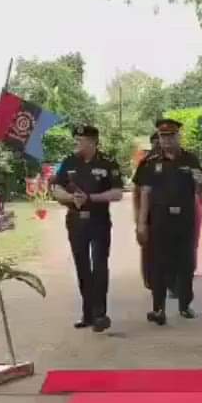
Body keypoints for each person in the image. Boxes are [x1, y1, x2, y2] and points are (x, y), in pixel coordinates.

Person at [52, 125, 124, 332]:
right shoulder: (69, 162)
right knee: (82, 266)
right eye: (76, 140)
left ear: (92, 142)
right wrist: (71, 198)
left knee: (99, 266)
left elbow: (117, 192)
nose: (77, 144)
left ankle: (100, 313)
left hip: (99, 221)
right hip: (76, 222)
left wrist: (91, 198)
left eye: (80, 140)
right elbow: (57, 188)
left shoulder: (107, 163)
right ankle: (88, 313)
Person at [136, 118, 202, 325]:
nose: (166, 140)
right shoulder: (150, 162)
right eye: (162, 136)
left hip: (185, 219)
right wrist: (141, 223)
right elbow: (144, 194)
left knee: (186, 262)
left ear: (178, 137)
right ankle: (158, 309)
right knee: (158, 265)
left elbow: (200, 191)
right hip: (159, 220)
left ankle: (185, 305)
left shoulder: (191, 159)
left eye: (170, 136)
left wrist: (200, 183)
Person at [132, 132, 158, 291]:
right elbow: (137, 192)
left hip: (168, 215)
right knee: (147, 249)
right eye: (156, 143)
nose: (159, 146)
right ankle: (149, 279)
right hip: (148, 215)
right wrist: (137, 218)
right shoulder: (145, 164)